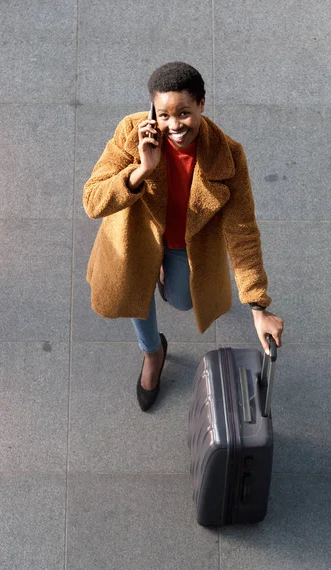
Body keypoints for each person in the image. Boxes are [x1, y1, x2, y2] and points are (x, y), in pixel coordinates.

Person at [83, 62, 284, 412]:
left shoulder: (228, 156)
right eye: (163, 115)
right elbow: (92, 201)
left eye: (184, 113)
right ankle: (153, 353)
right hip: (134, 243)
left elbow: (242, 231)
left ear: (202, 105)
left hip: (183, 248)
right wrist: (142, 169)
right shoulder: (131, 133)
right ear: (152, 112)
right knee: (136, 296)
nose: (174, 126)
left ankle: (162, 276)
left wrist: (258, 305)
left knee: (181, 300)